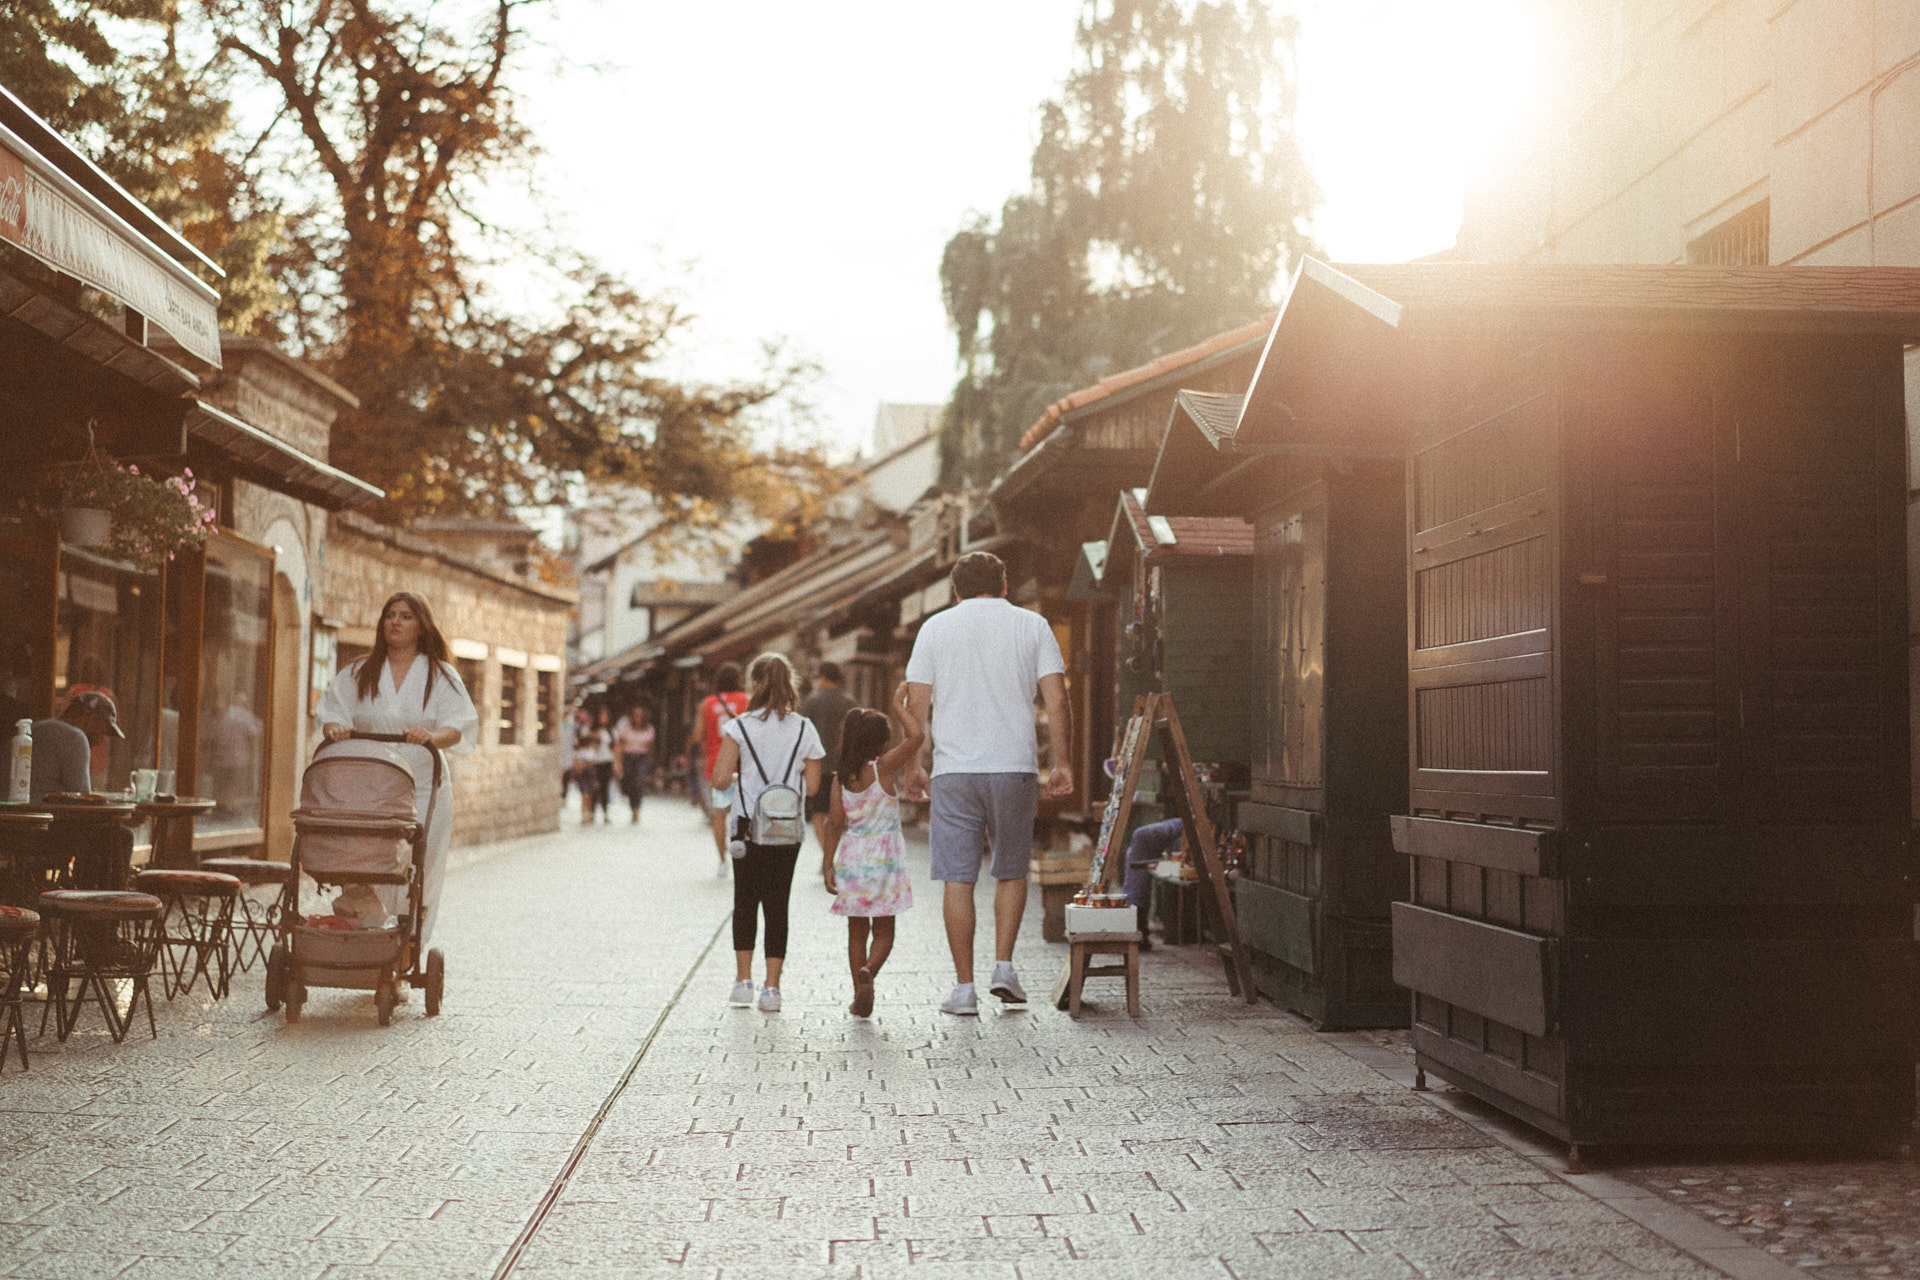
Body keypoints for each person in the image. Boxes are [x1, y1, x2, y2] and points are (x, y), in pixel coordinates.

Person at [902, 551, 1071, 1016]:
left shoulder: (934, 628)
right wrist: (1064, 763)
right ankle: (1004, 968)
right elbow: (1057, 700)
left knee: (958, 878)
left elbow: (917, 705)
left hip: (953, 769)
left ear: (955, 589)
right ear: (1004, 583)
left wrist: (912, 765)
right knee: (1010, 869)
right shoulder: (1031, 625)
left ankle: (963, 989)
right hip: (1013, 765)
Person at [315, 591, 478, 948]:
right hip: (370, 785)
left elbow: (459, 725)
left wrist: (431, 735)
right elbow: (332, 710)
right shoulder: (360, 671)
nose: (396, 622)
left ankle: (407, 949)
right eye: (390, 615)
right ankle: (366, 933)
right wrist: (334, 727)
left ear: (421, 625)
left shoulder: (440, 675)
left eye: (405, 616)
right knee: (368, 857)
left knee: (419, 867)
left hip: (422, 783)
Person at [707, 652, 824, 1013]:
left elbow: (720, 779)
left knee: (745, 902)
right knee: (778, 905)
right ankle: (772, 989)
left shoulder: (739, 727)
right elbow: (815, 786)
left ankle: (743, 982)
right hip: (786, 831)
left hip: (746, 828)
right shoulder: (804, 728)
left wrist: (749, 778)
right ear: (790, 683)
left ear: (754, 684)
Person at [820, 685, 922, 1018]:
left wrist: (827, 864)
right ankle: (870, 971)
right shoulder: (884, 769)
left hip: (852, 857)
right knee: (884, 931)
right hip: (885, 861)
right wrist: (897, 704)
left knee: (856, 932)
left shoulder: (841, 780)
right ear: (879, 744)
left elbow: (834, 824)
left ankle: (858, 993)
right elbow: (917, 736)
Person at [799, 662, 857, 860]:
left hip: (817, 766)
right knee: (839, 813)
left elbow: (802, 734)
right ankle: (836, 853)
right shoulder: (850, 702)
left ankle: (827, 855)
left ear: (823, 676)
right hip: (844, 766)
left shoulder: (811, 702)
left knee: (818, 812)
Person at [693, 664, 748, 875]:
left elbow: (698, 736)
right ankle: (741, 852)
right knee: (743, 812)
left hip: (716, 765)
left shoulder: (706, 703)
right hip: (742, 764)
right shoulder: (746, 701)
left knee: (719, 813)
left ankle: (722, 860)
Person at [30, 689, 124, 801]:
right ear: (91, 718)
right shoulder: (75, 738)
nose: (100, 741)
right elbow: (84, 800)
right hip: (43, 813)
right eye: (103, 732)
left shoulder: (37, 727)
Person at [612, 704, 655, 823]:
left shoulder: (649, 729)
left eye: (640, 715)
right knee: (629, 783)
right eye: (636, 715)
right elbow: (620, 745)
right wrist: (618, 762)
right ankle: (632, 807)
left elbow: (651, 746)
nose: (638, 717)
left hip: (641, 757)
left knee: (638, 782)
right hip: (628, 757)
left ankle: (637, 809)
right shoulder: (627, 728)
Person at [576, 707, 615, 824]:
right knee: (592, 789)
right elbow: (586, 744)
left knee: (604, 787)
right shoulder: (593, 730)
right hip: (594, 762)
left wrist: (617, 763)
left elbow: (615, 746)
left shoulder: (611, 731)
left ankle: (605, 812)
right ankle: (590, 813)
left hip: (606, 762)